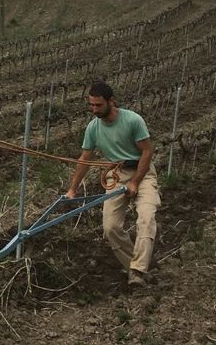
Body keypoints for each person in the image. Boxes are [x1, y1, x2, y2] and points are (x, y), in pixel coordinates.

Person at [65, 81, 161, 288]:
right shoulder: (93, 128)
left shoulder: (133, 120)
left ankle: (137, 269)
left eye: (98, 105)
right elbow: (85, 159)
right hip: (116, 175)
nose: (94, 109)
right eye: (91, 105)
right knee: (110, 227)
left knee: (146, 217)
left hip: (142, 174)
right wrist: (73, 188)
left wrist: (135, 182)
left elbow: (147, 151)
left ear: (111, 101)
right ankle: (136, 270)